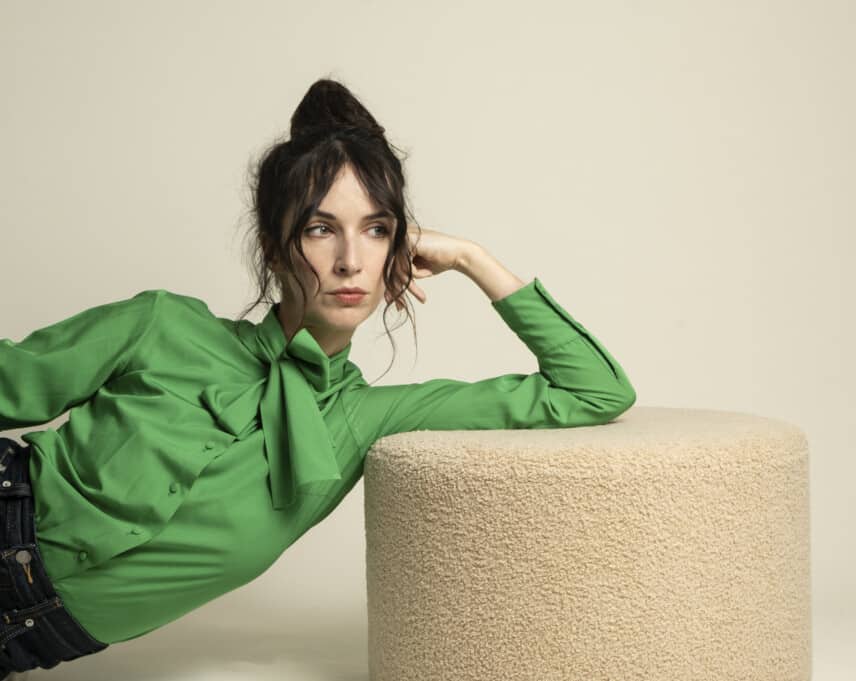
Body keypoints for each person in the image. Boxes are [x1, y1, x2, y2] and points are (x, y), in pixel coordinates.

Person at [0, 77, 636, 676]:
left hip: (26, 641)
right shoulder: (161, 326)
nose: (351, 260)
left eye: (377, 230)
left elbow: (593, 390)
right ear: (274, 248)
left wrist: (473, 258)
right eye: (320, 229)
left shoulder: (362, 421)